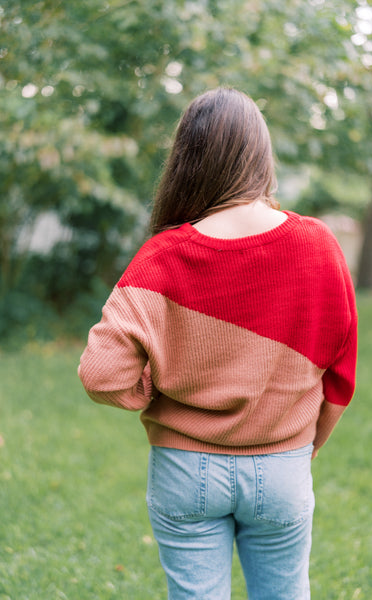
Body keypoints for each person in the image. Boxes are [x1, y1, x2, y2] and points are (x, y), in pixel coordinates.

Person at [78, 87, 357, 599]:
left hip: (184, 470)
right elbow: (340, 372)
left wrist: (155, 389)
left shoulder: (163, 255)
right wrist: (305, 445)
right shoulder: (318, 245)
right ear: (261, 156)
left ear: (187, 160)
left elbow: (100, 372)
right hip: (282, 467)